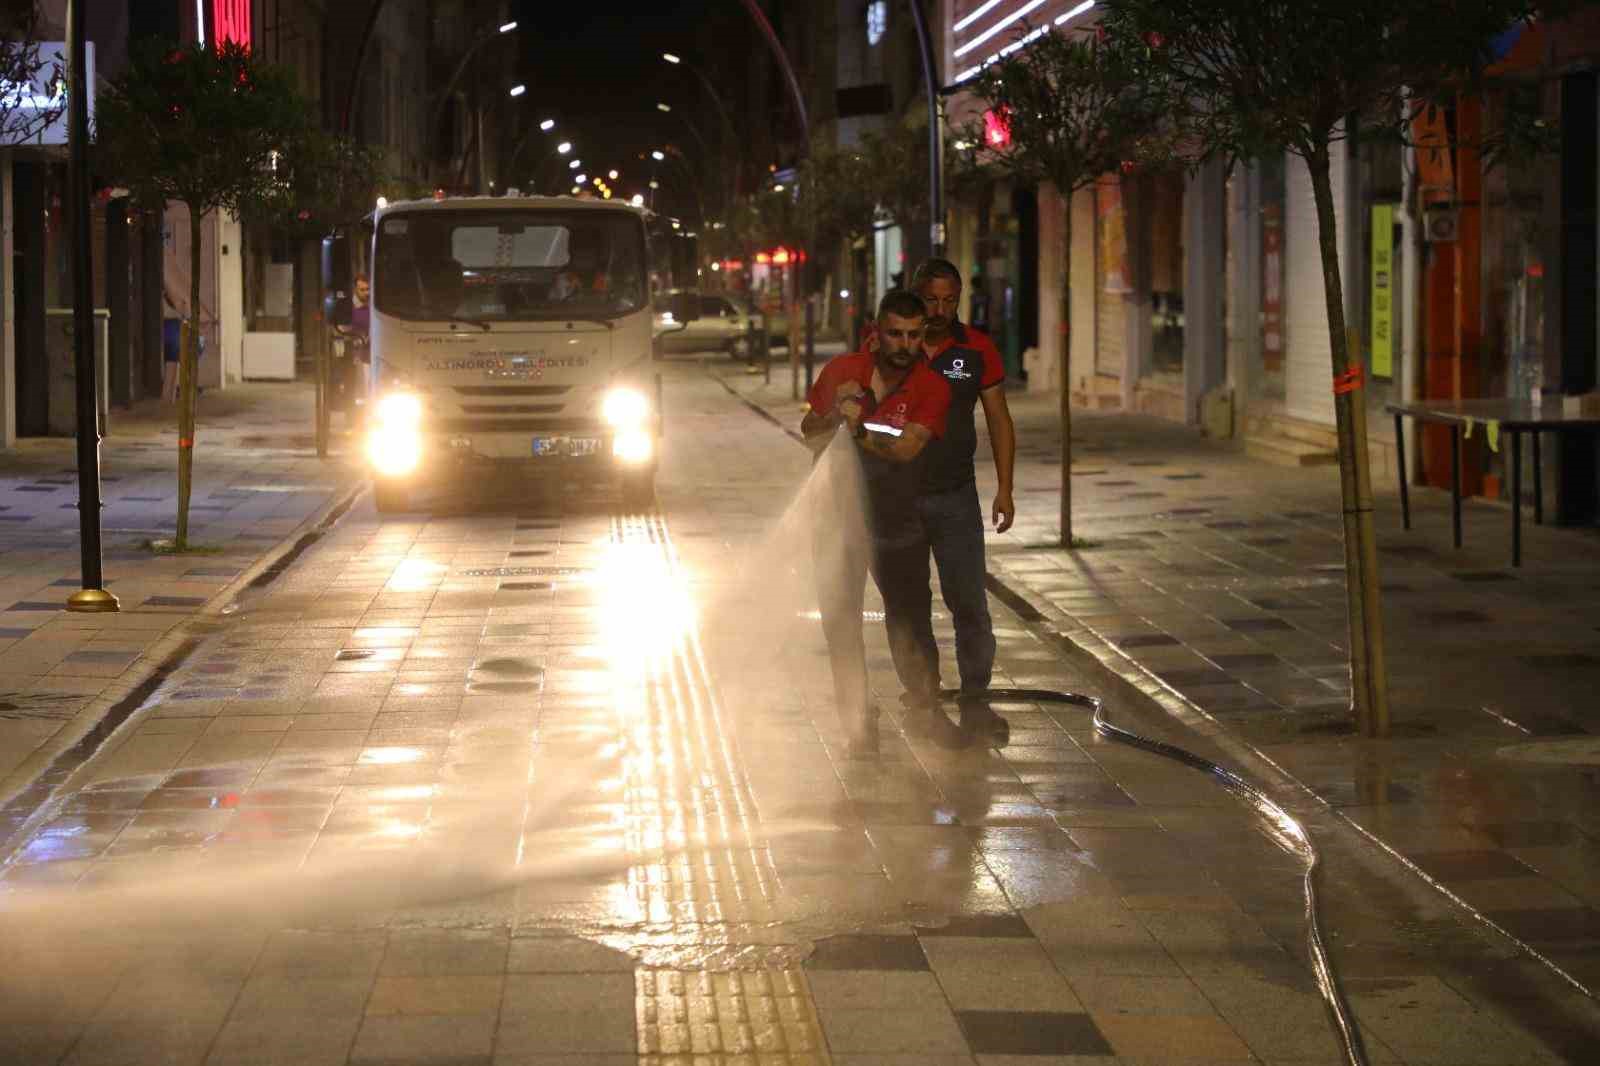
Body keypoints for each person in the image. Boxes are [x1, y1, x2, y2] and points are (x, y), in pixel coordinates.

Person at [801, 289, 960, 756]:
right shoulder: (840, 372)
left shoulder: (933, 386)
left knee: (910, 618)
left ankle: (926, 712)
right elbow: (810, 430)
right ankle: (858, 723)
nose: (905, 344)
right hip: (835, 516)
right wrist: (833, 414)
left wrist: (858, 429)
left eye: (914, 335)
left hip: (896, 517)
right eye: (895, 333)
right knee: (840, 621)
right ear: (876, 332)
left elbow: (908, 448)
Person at [906, 256, 1018, 740]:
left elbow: (998, 417)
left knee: (968, 601)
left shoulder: (976, 350)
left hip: (956, 495)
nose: (940, 309)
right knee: (909, 606)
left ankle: (976, 696)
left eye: (950, 300)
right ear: (915, 297)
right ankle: (922, 698)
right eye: (931, 299)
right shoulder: (893, 343)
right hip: (899, 498)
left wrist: (1006, 488)